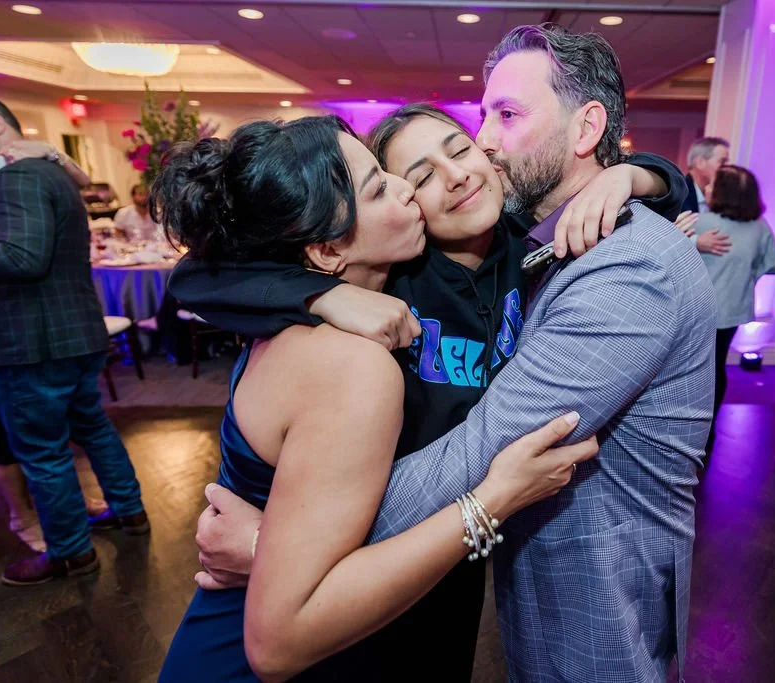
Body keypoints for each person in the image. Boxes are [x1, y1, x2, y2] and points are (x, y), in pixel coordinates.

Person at [189, 23, 715, 681]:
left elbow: (674, 198)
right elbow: (200, 276)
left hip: (449, 586)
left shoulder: (525, 251)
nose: (474, 159)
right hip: (348, 591)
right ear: (402, 207)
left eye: (476, 136)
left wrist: (636, 177)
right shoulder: (400, 273)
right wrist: (319, 297)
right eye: (408, 180)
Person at [154, 115, 600, 682]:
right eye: (384, 183)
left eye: (459, 150)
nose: (410, 188)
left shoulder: (493, 255)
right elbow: (282, 635)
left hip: (405, 600)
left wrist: (628, 180)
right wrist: (496, 500)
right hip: (306, 646)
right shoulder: (351, 359)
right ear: (325, 248)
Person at [0, 95, 147, 586]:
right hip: (72, 330)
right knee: (92, 428)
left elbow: (21, 256)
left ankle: (71, 552)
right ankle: (129, 511)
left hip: (32, 341)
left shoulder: (16, 176)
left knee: (43, 451)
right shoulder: (45, 170)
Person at [693, 165, 775, 450]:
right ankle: (709, 433)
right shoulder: (760, 227)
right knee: (718, 369)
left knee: (691, 372)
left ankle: (690, 431)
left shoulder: (701, 224)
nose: (708, 188)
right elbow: (770, 265)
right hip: (733, 310)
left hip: (698, 311)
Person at [682, 136, 732, 257]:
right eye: (722, 162)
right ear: (700, 163)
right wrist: (695, 242)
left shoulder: (722, 196)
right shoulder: (677, 192)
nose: (727, 168)